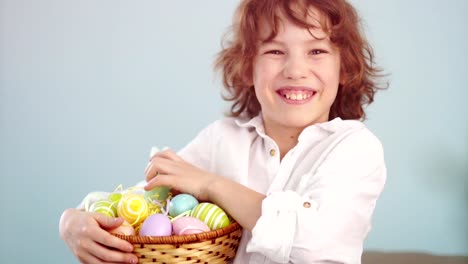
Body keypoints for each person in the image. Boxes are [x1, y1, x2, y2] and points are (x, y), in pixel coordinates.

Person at [59, 0, 388, 263]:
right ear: (248, 67)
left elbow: (313, 244)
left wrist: (211, 185)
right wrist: (74, 220)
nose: (296, 70)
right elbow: (142, 204)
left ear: (344, 67)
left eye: (316, 51)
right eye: (274, 51)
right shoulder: (220, 140)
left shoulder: (355, 149)